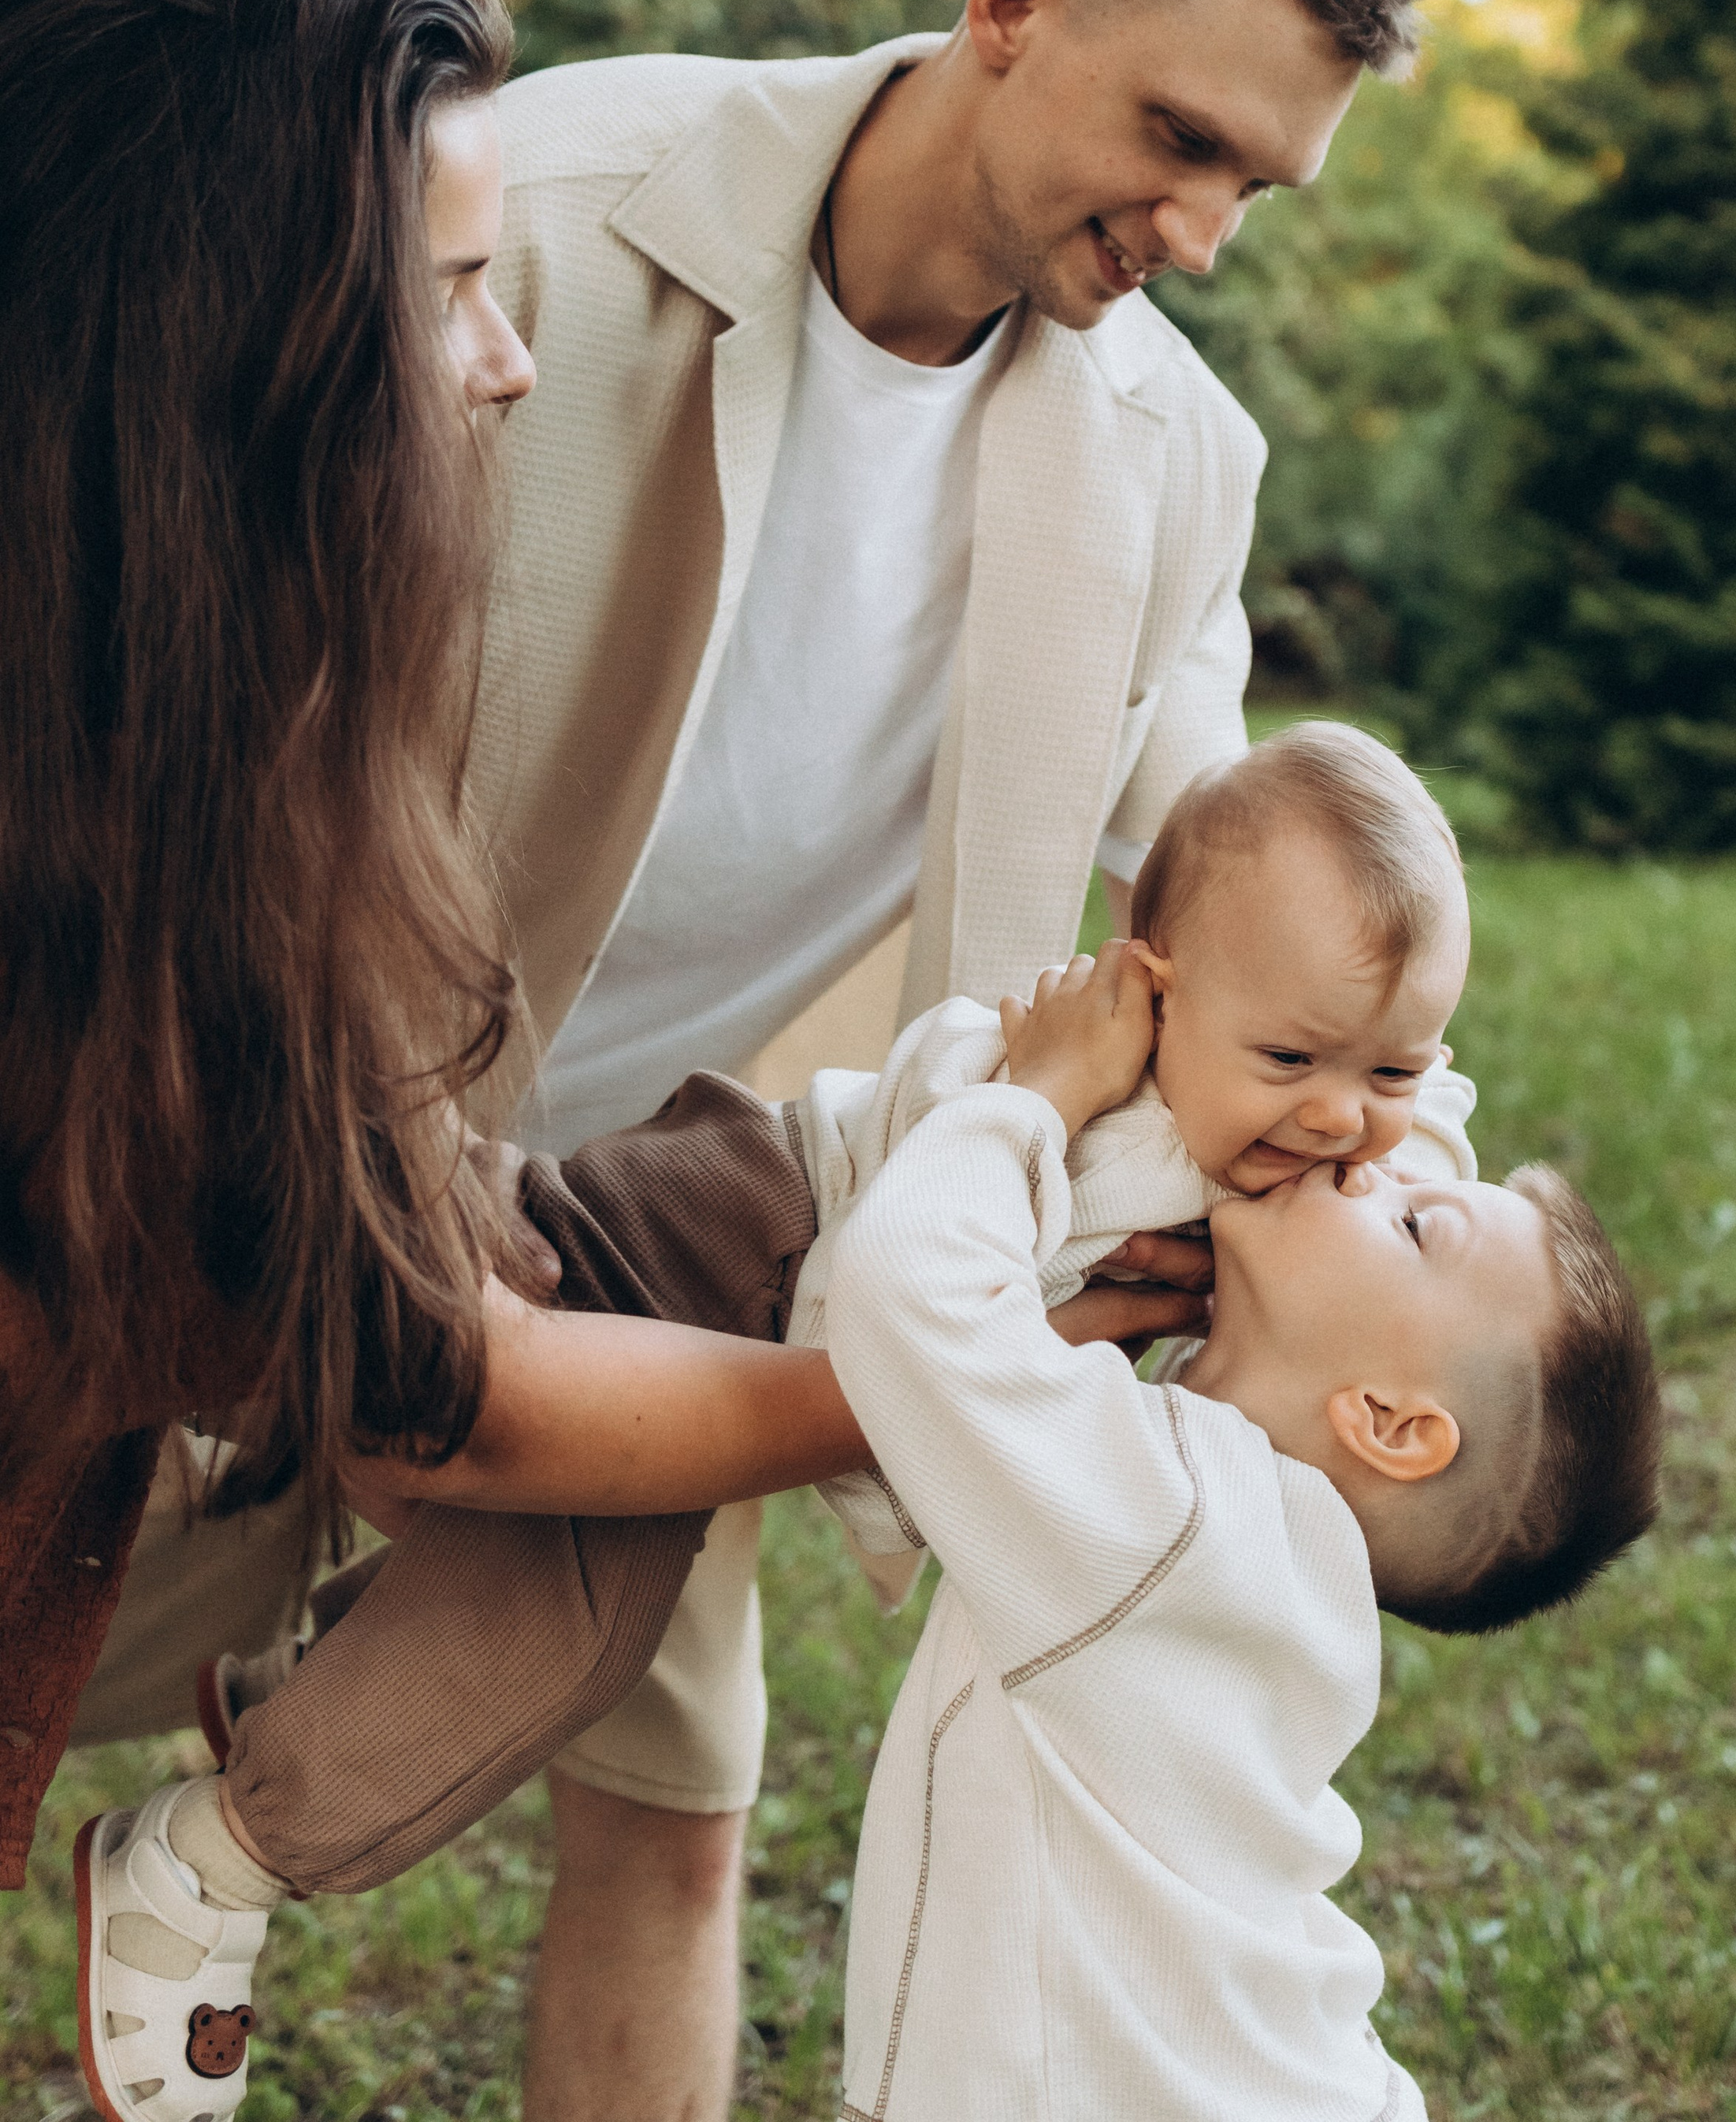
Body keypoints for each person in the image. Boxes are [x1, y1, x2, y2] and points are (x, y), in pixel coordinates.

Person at [83, 0, 1421, 2122]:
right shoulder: (541, 228)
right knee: (52, 1593)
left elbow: (1212, 883)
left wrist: (1364, 1102)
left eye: (1265, 186)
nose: (1206, 233)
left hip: (688, 1192)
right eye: (1185, 141)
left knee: (683, 1819)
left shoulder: (1173, 465)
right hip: (274, 1104)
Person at [106, 723, 1655, 2119]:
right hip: (728, 1248)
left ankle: (283, 1592)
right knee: (554, 1577)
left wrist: (1340, 1078)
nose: (1360, 1137)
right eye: (1311, 1070)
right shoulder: (1152, 1185)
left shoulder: (1178, 1499)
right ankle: (219, 1841)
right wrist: (1042, 1093)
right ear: (1153, 981)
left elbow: (1368, 1085)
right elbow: (919, 1291)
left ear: (1387, 1421)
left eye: (1394, 1116)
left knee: (564, 1575)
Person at [0, 0, 881, 1957]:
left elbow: (382, 1303)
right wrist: (916, 1398)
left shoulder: (148, 747)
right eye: (456, 293)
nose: (506, 363)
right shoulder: (155, 837)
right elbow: (435, 1392)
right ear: (239, 352)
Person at [828, 959, 1664, 2117]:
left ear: (1385, 1421)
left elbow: (905, 1288)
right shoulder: (1263, 1539)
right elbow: (1421, 1152)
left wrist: (1042, 1096)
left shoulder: (1166, 1521)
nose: (1363, 1163)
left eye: (1413, 1220)